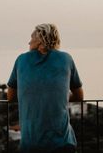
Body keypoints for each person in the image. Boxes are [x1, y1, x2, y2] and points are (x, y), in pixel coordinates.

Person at [7, 24, 83, 153]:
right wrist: (57, 96)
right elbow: (79, 96)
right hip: (62, 143)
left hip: (30, 143)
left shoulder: (21, 60)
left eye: (32, 37)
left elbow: (10, 97)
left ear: (41, 39)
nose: (29, 41)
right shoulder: (66, 59)